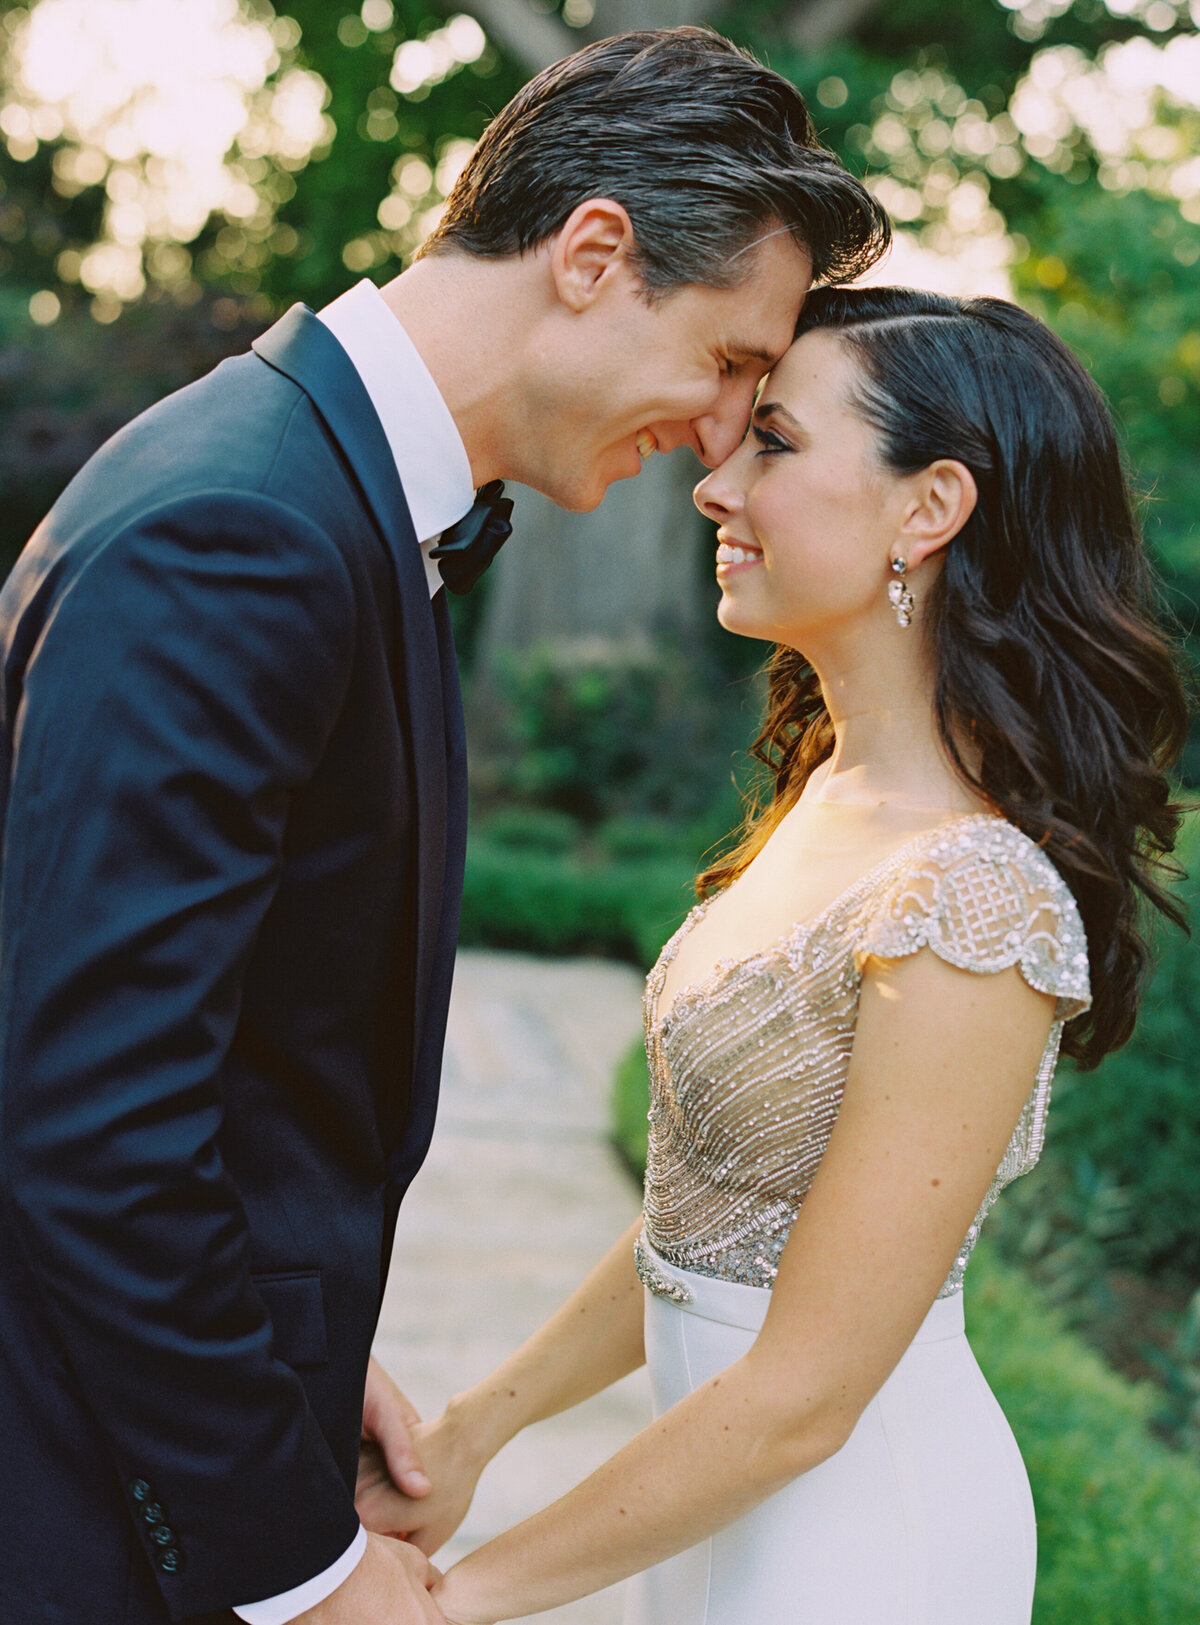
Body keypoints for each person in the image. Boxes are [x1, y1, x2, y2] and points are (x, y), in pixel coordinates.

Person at [0, 27, 890, 1625]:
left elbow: (230, 1064)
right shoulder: (242, 531)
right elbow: (96, 1126)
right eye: (734, 360)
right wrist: (302, 1565)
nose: (716, 434)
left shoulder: (311, 495)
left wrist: (287, 1355)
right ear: (594, 255)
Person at [381, 286, 1192, 1625]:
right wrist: (475, 1429)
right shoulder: (826, 795)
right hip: (715, 1508)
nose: (715, 483)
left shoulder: (972, 900)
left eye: (774, 441)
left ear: (929, 507)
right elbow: (718, 1217)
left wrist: (456, 1599)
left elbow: (807, 1392)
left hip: (867, 1538)